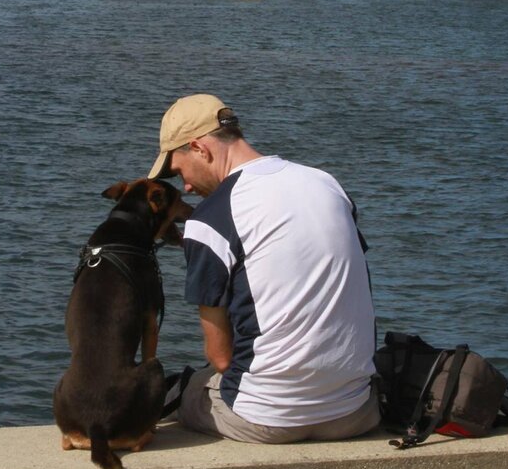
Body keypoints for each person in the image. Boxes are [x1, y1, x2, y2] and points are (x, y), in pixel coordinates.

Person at [149, 93, 380, 444]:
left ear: (200, 148)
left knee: (190, 388)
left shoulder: (208, 220)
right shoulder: (326, 184)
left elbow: (221, 357)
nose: (187, 187)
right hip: (356, 413)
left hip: (266, 419)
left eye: (179, 171)